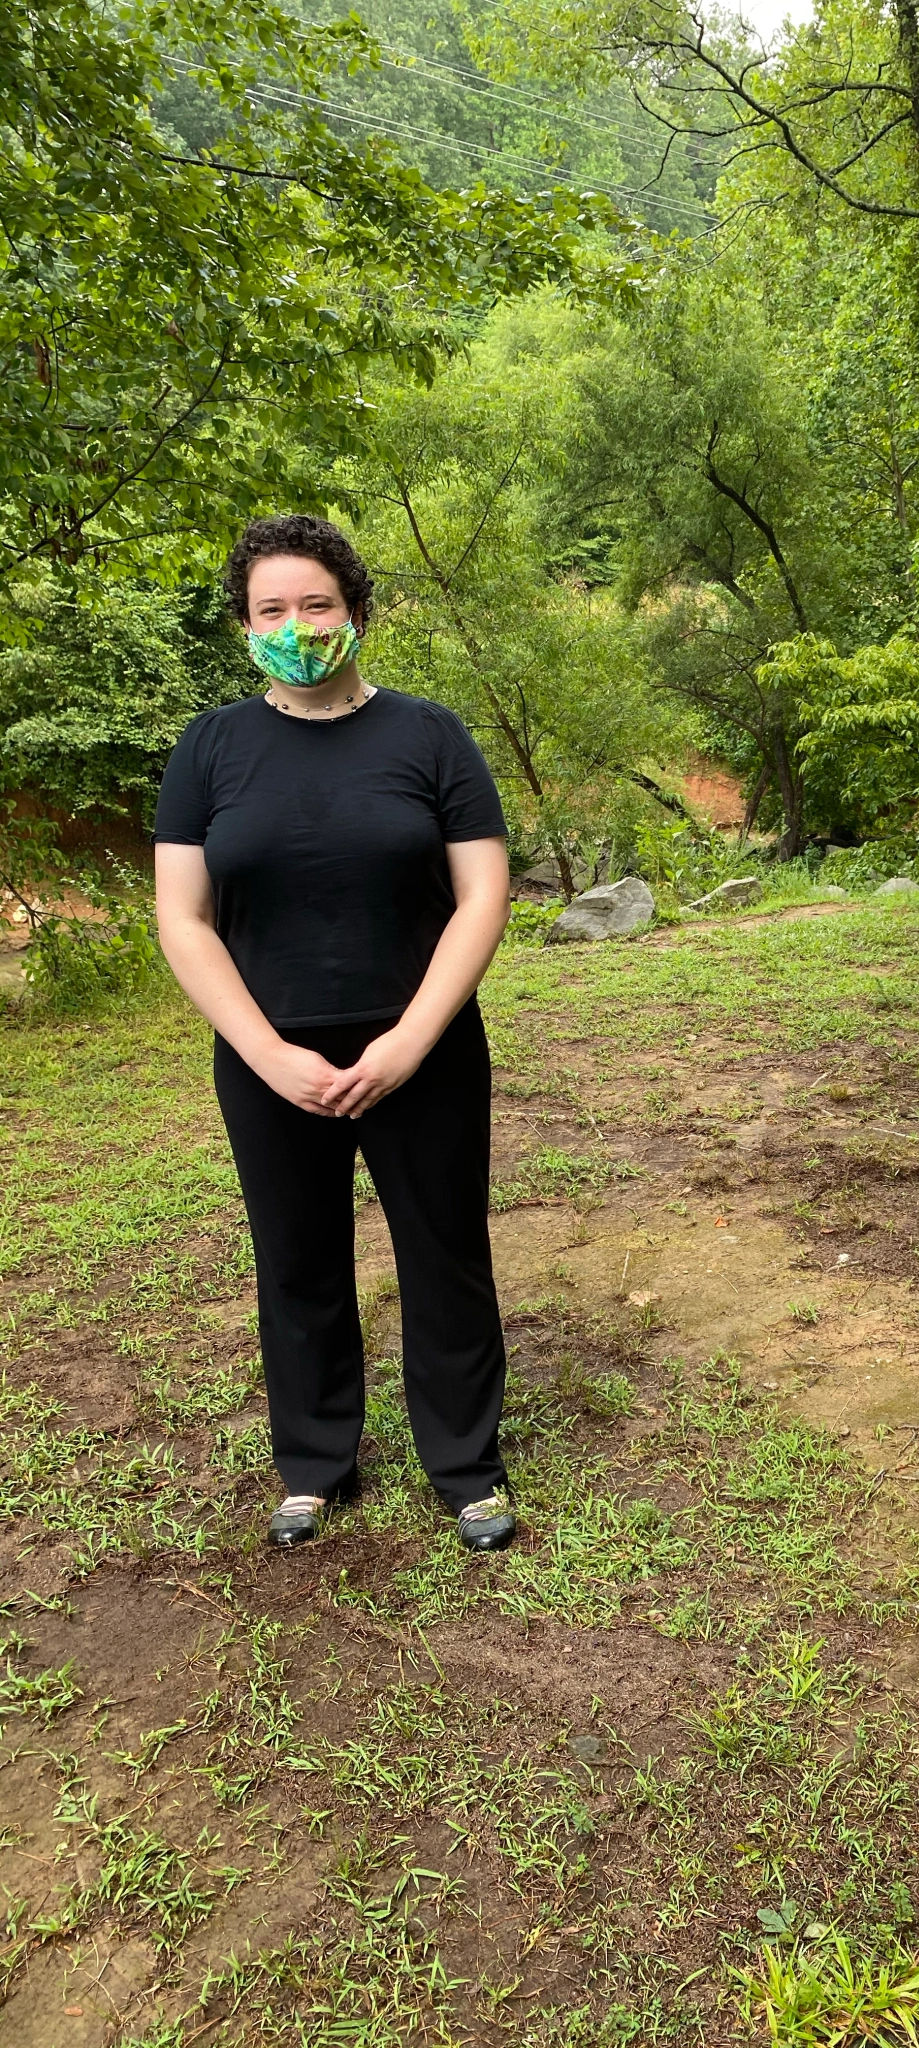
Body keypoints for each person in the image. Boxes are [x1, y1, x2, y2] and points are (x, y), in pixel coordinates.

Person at [154, 514, 518, 1554]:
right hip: (268, 1054)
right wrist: (268, 1052)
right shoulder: (211, 747)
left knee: (445, 1253)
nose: (297, 624)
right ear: (245, 625)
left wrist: (410, 1037)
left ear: (356, 611)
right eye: (272, 608)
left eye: (317, 603)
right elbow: (182, 914)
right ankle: (315, 1463)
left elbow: (481, 890)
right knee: (296, 1257)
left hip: (425, 1045)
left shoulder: (430, 735)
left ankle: (466, 1464)